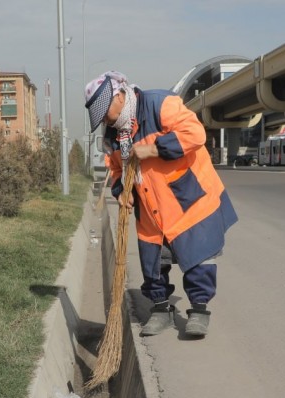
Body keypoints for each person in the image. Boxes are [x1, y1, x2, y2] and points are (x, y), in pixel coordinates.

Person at [84, 71, 238, 337]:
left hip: (188, 199)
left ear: (120, 96)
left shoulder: (158, 105)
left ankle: (199, 311)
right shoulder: (113, 134)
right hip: (151, 209)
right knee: (154, 264)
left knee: (198, 258)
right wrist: (122, 191)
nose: (106, 120)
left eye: (106, 111)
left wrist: (153, 149)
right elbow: (117, 169)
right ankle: (160, 309)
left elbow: (195, 134)